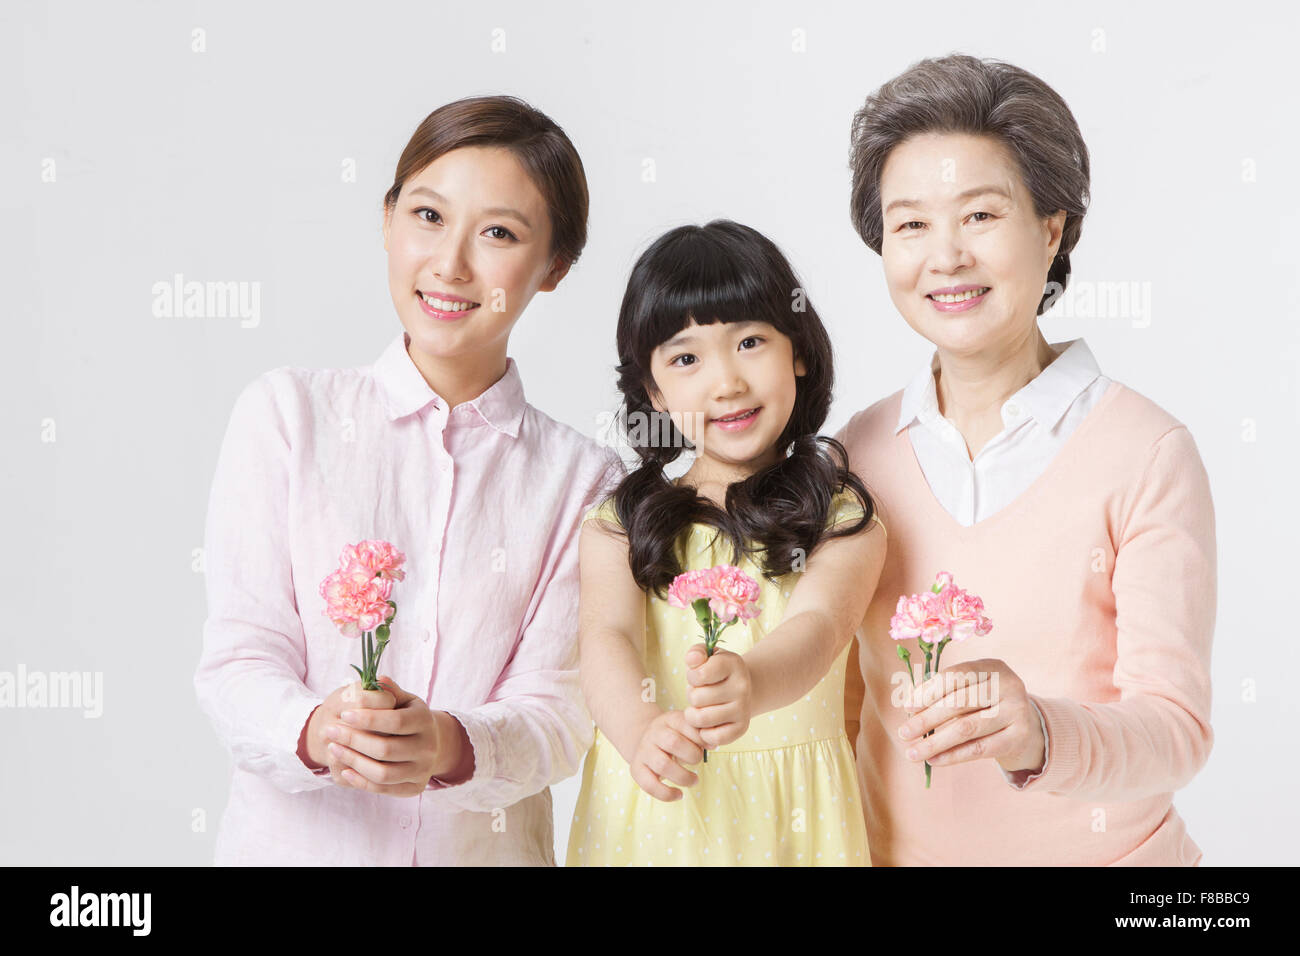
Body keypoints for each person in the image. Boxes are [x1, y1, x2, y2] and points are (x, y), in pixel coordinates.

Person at [194, 95, 623, 866]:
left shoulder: (586, 482)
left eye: (498, 233)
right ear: (387, 219)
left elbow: (562, 715)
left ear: (555, 265)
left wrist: (451, 745)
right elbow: (238, 660)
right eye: (428, 216)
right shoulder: (287, 416)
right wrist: (314, 729)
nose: (451, 264)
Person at [838, 54, 1216, 865]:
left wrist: (1040, 730)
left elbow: (1177, 730)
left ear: (1052, 228)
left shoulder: (1148, 452)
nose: (945, 257)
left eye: (980, 216)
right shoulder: (852, 456)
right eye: (910, 225)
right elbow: (838, 714)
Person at [566, 220, 887, 865]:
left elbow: (820, 627)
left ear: (798, 350)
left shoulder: (839, 516)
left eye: (749, 342)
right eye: (687, 358)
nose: (727, 383)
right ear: (654, 393)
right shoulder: (622, 521)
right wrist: (639, 731)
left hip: (791, 822)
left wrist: (753, 681)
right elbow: (608, 638)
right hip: (656, 819)